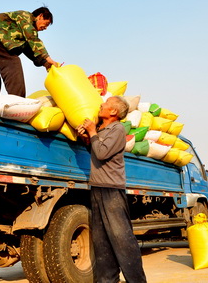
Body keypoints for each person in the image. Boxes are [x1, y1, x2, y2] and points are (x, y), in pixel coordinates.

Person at [77, 96, 147, 283]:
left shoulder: (117, 130)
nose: (101, 105)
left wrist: (92, 131)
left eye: (106, 104)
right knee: (102, 242)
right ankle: (107, 280)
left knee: (122, 240)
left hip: (111, 191)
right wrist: (86, 135)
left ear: (114, 112)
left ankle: (137, 280)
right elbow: (94, 148)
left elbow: (101, 153)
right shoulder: (102, 129)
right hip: (98, 189)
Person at [0, 7, 59, 102]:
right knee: (13, 62)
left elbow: (29, 48)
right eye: (46, 24)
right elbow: (32, 39)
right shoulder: (26, 17)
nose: (45, 28)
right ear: (40, 16)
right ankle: (18, 103)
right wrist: (47, 57)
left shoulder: (21, 31)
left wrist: (46, 63)